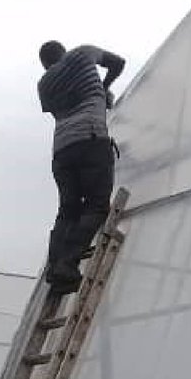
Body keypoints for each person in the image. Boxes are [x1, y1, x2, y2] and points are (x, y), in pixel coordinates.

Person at [37, 39, 125, 292]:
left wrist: (96, 91)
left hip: (62, 150)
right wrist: (103, 87)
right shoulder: (82, 54)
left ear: (45, 64)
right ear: (63, 51)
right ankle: (67, 263)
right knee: (97, 205)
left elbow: (62, 111)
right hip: (90, 137)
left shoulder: (44, 84)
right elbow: (118, 64)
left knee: (68, 211)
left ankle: (55, 268)